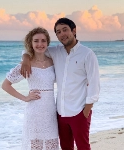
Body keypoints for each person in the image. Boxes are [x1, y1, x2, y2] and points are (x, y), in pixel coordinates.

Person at [21, 18, 100, 150]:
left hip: (79, 111)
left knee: (83, 146)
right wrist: (25, 58)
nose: (62, 34)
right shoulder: (55, 51)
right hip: (60, 112)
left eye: (65, 30)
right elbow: (35, 49)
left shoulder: (87, 54)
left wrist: (87, 108)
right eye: (58, 32)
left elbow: (94, 83)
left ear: (74, 31)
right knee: (65, 147)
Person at [2, 27, 59, 150]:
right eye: (36, 41)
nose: (40, 44)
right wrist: (25, 97)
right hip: (34, 111)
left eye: (43, 40)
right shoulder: (26, 64)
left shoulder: (53, 61)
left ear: (47, 43)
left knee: (51, 145)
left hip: (50, 110)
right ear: (30, 43)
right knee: (36, 146)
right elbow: (5, 85)